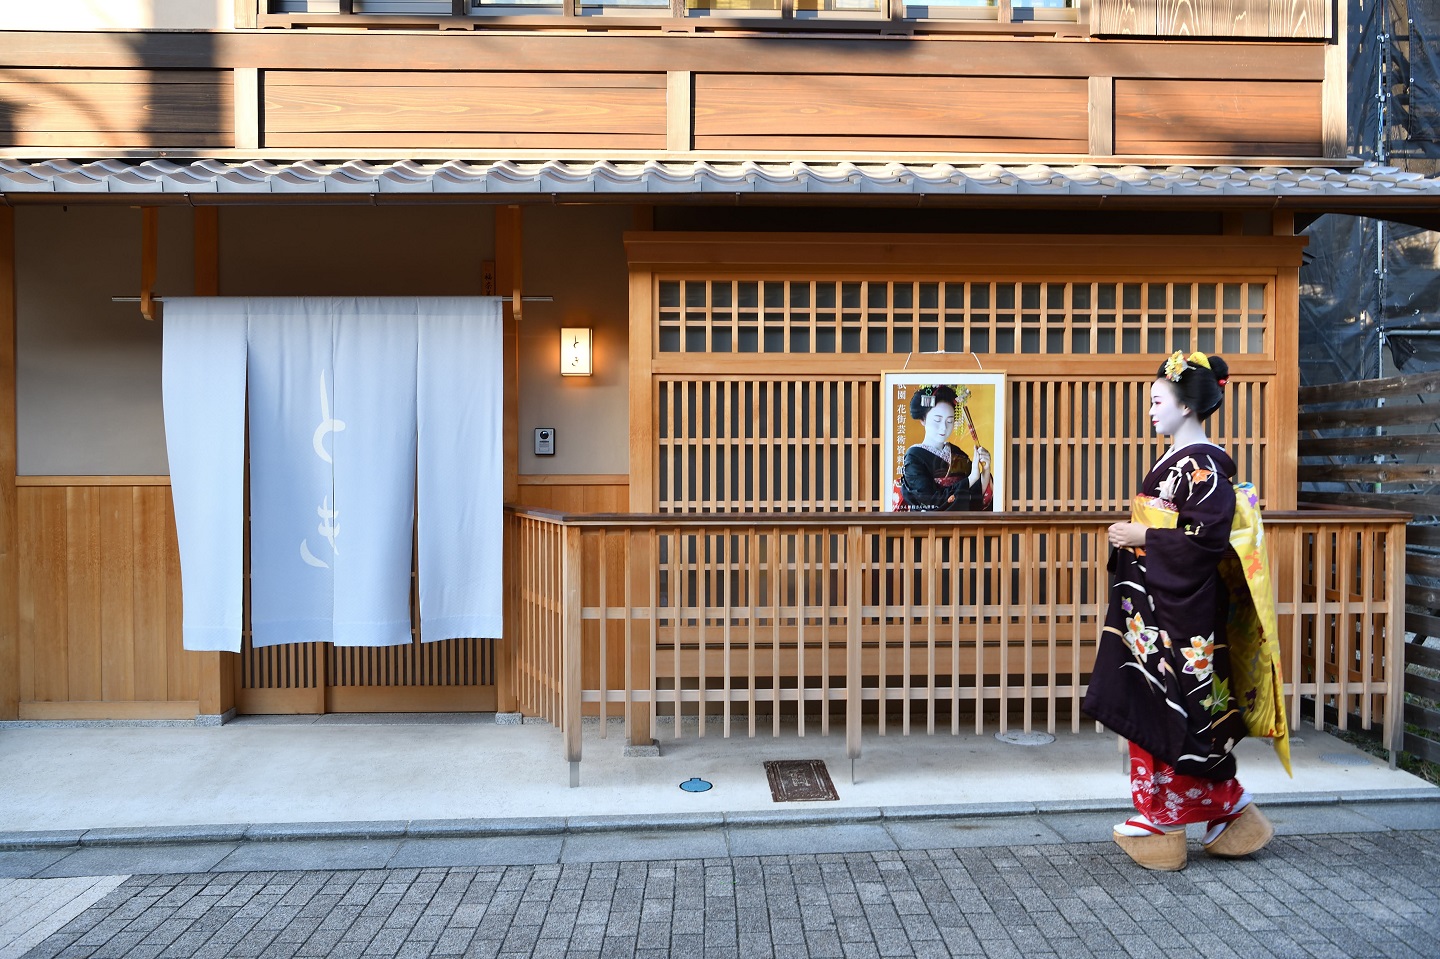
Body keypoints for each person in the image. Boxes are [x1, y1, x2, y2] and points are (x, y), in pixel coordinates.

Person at [1082, 351, 1275, 872]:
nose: (1150, 410)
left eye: (1156, 401)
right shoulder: (1180, 461)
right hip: (1157, 607)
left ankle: (1164, 820)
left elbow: (1205, 540)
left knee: (1171, 705)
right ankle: (1229, 813)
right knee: (1163, 702)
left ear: (1186, 405)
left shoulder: (1204, 465)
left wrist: (1142, 535)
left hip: (1178, 614)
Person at [897, 385, 993, 511]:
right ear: (923, 420)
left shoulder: (959, 454)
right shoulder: (914, 457)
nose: (943, 427)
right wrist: (970, 480)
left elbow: (975, 499)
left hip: (961, 522)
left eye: (949, 421)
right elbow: (930, 501)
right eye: (937, 420)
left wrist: (985, 470)